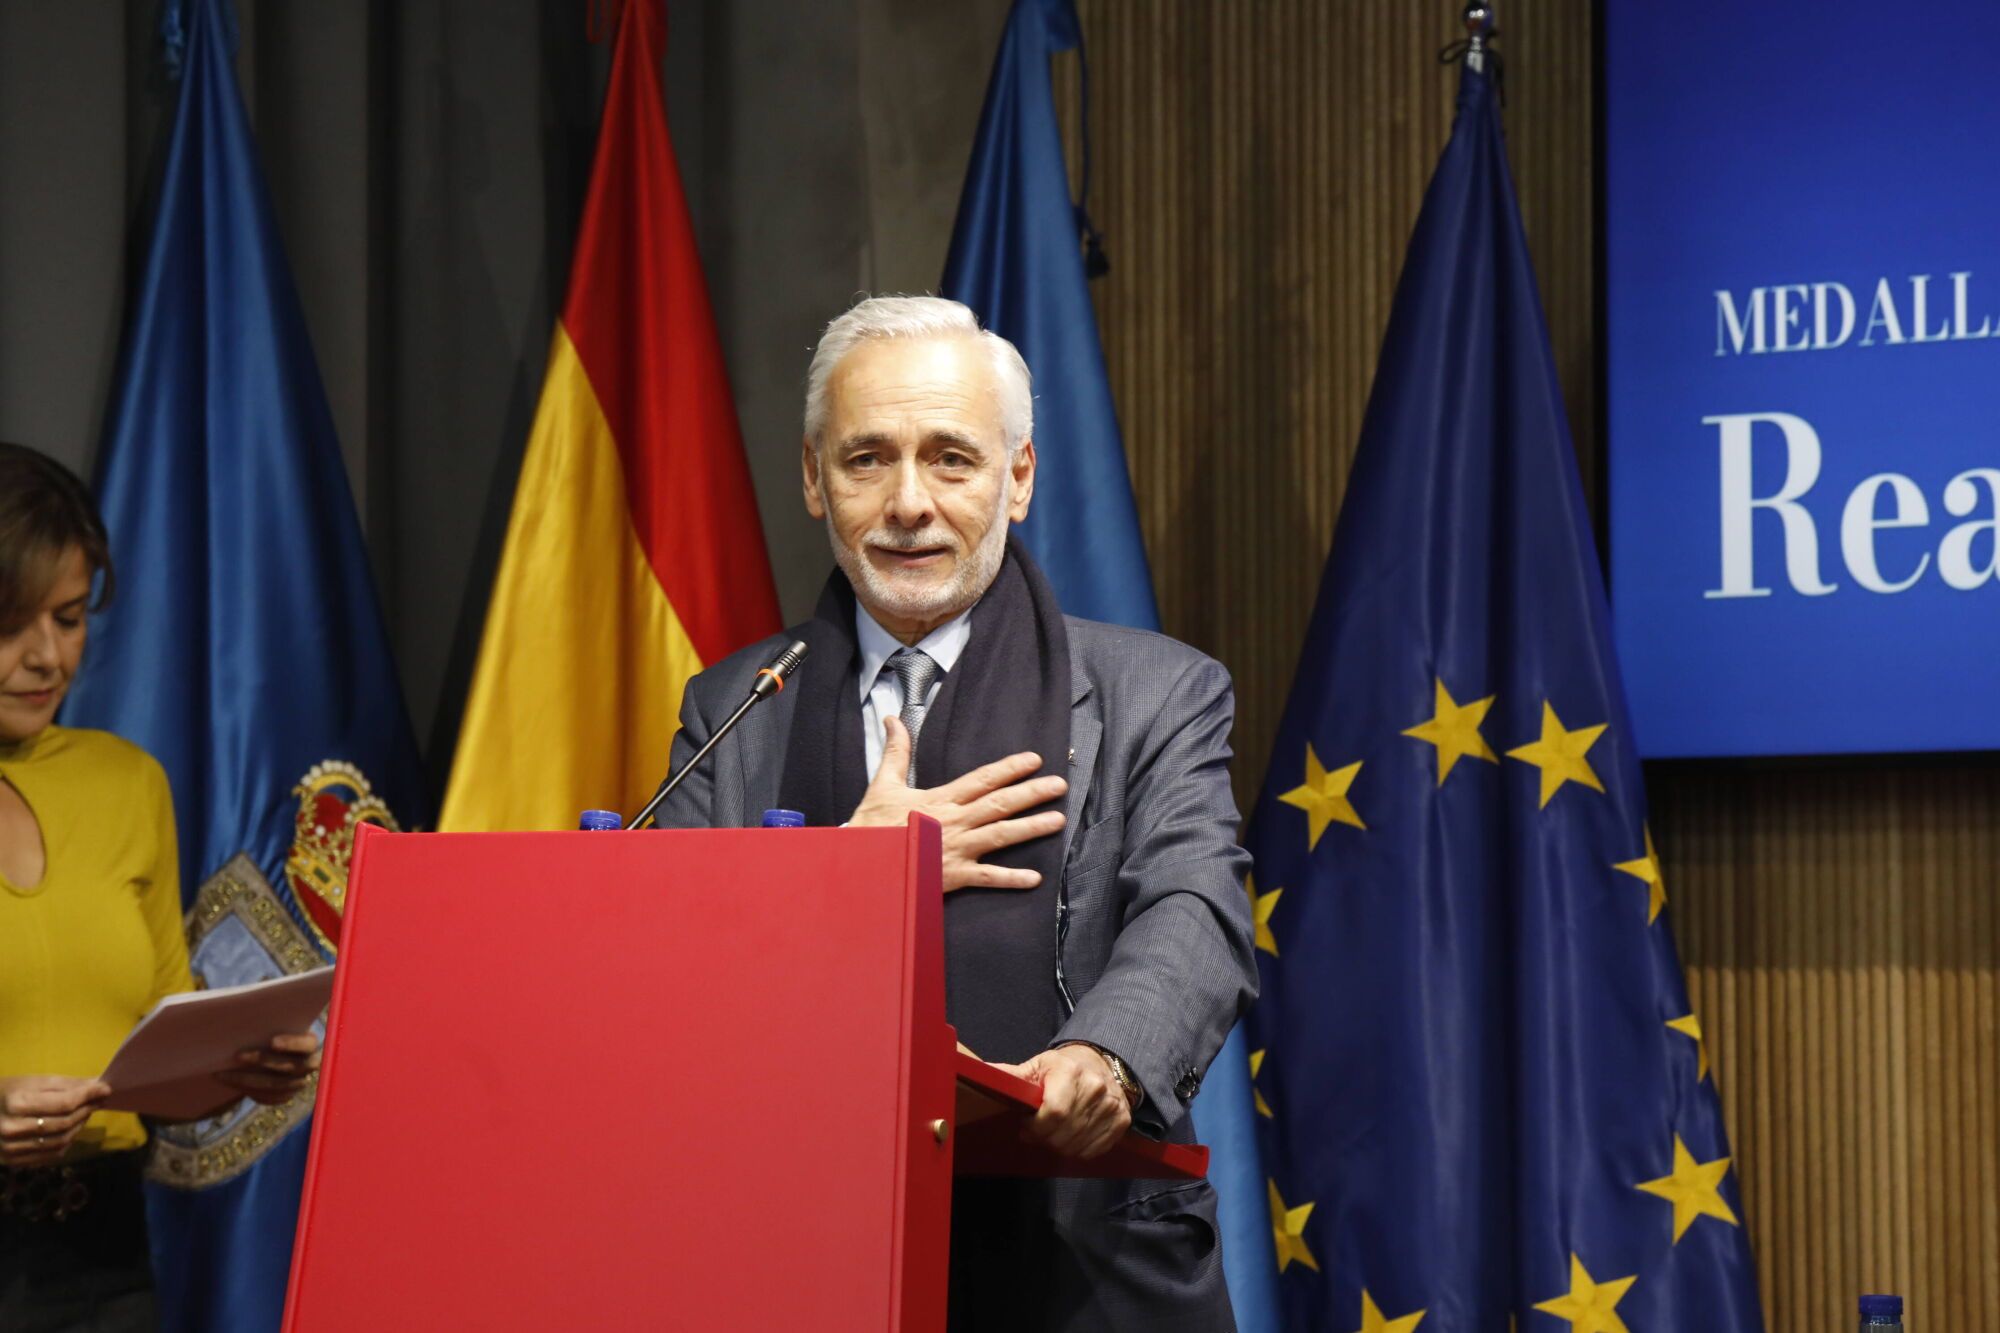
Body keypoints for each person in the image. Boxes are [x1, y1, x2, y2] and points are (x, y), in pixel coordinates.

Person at [655, 297, 1257, 1330]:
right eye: (864, 460)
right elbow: (660, 962)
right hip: (797, 1248)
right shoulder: (736, 707)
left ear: (1015, 478)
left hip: (1087, 1253)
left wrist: (1102, 1058)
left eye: (949, 458)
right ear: (811, 478)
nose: (906, 504)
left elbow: (1194, 907)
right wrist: (844, 882)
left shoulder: (1157, 690)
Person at [0, 442, 321, 1331]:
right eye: (11, 623)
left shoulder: (126, 780)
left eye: (68, 618)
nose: (46, 656)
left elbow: (155, 1025)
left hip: (104, 1259)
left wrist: (238, 1069)